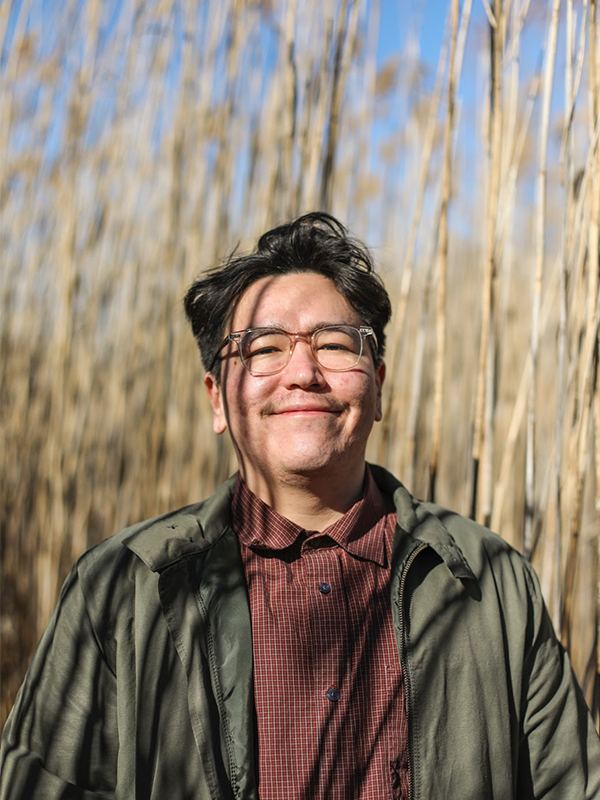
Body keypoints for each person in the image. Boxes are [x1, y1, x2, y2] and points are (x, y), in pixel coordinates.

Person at [1, 212, 599, 800]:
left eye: (336, 344)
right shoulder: (120, 590)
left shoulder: (490, 584)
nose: (303, 372)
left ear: (379, 386)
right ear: (217, 399)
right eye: (264, 347)